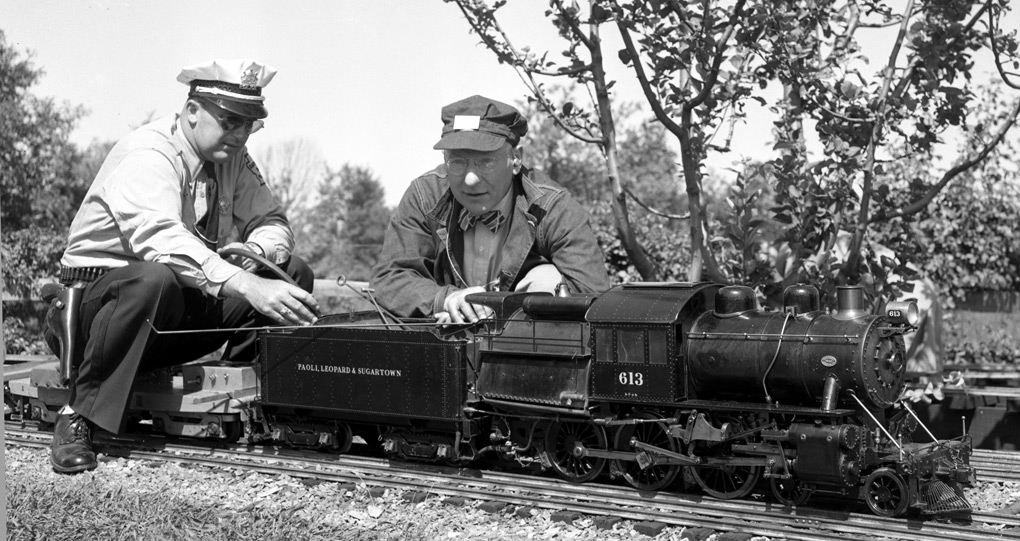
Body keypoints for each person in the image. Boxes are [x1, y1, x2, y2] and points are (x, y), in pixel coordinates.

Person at [47, 59, 320, 474]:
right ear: (192, 111)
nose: (240, 133)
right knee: (152, 280)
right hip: (100, 317)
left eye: (250, 124)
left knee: (290, 273)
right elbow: (162, 242)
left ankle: (240, 394)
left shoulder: (232, 158)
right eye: (230, 120)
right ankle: (78, 416)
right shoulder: (148, 153)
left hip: (169, 311)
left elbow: (273, 222)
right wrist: (243, 282)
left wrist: (251, 252)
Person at [372, 95, 609, 322]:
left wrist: (508, 312)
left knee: (548, 280)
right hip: (441, 341)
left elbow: (592, 298)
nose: (470, 179)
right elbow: (391, 278)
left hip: (523, 349)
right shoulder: (424, 197)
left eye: (485, 161)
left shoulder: (552, 208)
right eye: (458, 162)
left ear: (516, 159)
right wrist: (446, 300)